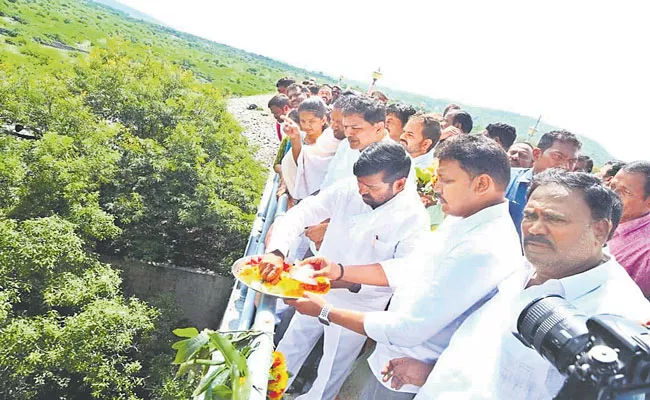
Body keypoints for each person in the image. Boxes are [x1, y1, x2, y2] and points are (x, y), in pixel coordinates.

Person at [287, 135, 522, 400]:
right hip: (396, 358)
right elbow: (412, 269)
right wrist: (339, 272)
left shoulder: (483, 247)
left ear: (481, 183)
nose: (436, 187)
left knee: (330, 375)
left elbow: (409, 328)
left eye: (446, 180)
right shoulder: (462, 220)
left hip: (411, 372)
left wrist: (327, 310)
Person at [384, 169, 650, 399]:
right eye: (530, 215)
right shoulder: (526, 267)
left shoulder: (618, 321)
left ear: (600, 230)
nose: (534, 228)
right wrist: (434, 372)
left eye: (554, 219)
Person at [262, 141, 430, 400]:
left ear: (399, 184)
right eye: (359, 182)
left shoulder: (413, 218)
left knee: (331, 370)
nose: (361, 190)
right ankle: (266, 392)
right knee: (289, 347)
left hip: (359, 304)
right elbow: (303, 213)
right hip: (314, 286)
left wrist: (342, 275)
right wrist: (276, 253)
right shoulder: (350, 189)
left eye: (371, 187)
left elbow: (404, 270)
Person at [506, 130, 581, 237]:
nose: (565, 166)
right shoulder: (505, 178)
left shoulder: (570, 200)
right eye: (558, 157)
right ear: (537, 154)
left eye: (572, 161)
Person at [292, 95, 349, 200]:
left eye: (339, 122)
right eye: (332, 120)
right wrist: (295, 138)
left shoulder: (352, 147)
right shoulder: (329, 134)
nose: (333, 126)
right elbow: (304, 159)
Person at [608, 161, 650, 297]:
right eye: (611, 186)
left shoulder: (645, 254)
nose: (611, 195)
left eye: (624, 192)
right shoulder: (596, 215)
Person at [280, 97, 329, 199]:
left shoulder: (330, 143)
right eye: (303, 121)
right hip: (298, 195)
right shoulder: (298, 136)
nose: (307, 125)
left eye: (312, 121)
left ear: (323, 120)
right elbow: (297, 165)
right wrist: (295, 138)